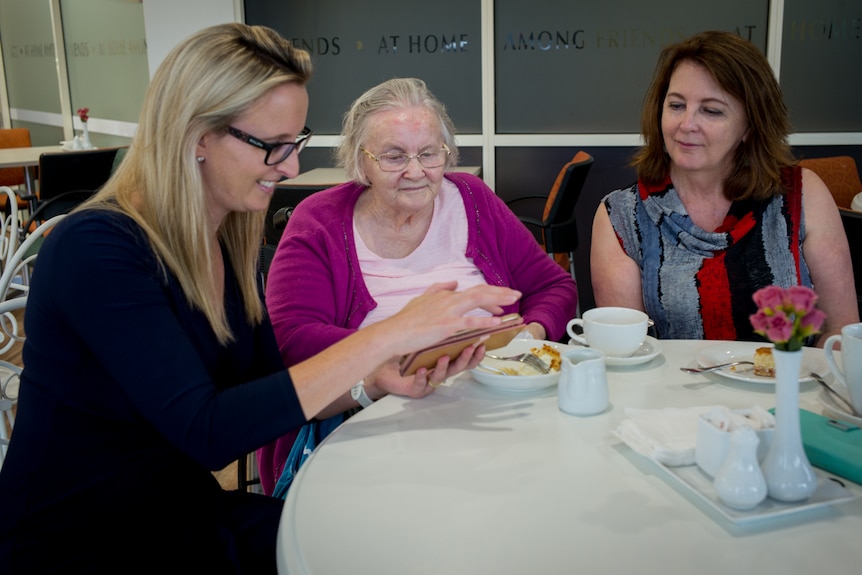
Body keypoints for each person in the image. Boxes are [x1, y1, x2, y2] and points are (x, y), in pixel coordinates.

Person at [0, 24, 523, 573]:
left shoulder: (220, 239)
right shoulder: (97, 249)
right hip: (78, 542)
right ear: (197, 135)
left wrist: (372, 384)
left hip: (176, 515)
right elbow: (208, 432)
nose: (292, 166)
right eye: (272, 145)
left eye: (294, 142)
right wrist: (391, 335)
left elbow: (265, 387)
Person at [259, 77, 578, 495]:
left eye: (429, 153)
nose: (415, 171)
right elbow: (292, 341)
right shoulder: (318, 220)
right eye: (393, 156)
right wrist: (405, 346)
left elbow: (554, 286)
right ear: (361, 162)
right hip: (371, 422)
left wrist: (525, 338)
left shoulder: (471, 199)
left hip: (491, 409)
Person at [590, 30, 858, 345]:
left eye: (712, 110)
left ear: (749, 126)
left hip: (791, 389)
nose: (686, 124)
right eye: (676, 105)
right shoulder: (622, 217)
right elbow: (626, 355)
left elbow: (842, 333)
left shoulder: (801, 195)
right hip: (671, 393)